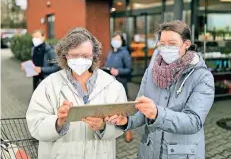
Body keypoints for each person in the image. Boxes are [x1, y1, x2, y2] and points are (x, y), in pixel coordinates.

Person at [106, 20, 215, 159]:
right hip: (149, 151)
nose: (166, 48)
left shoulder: (202, 77)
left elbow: (194, 121)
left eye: (172, 43)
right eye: (162, 44)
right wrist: (127, 121)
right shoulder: (151, 72)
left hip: (181, 154)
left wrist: (157, 114)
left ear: (186, 45)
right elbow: (141, 110)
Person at [26, 27, 127, 159]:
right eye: (74, 55)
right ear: (65, 55)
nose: (80, 60)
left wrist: (103, 127)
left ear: (94, 55)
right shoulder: (49, 85)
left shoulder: (112, 86)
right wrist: (58, 122)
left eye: (85, 56)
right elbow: (35, 125)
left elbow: (121, 126)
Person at [105, 32, 133, 142]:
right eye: (114, 39)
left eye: (118, 39)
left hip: (121, 83)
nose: (115, 41)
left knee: (124, 108)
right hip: (110, 84)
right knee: (112, 108)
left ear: (121, 41)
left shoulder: (124, 53)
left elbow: (129, 69)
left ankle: (128, 131)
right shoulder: (110, 52)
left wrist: (119, 71)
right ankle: (114, 130)